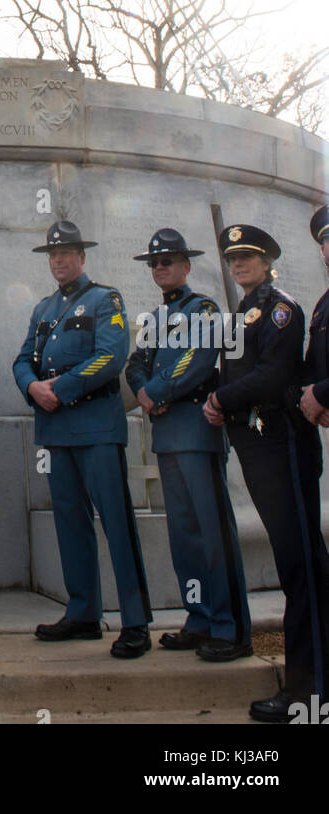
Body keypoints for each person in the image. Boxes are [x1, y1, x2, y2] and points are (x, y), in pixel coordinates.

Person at [203, 223, 329, 723]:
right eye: (233, 260)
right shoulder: (245, 311)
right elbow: (237, 370)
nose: (239, 266)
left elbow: (273, 375)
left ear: (268, 261)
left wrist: (221, 399)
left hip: (281, 445)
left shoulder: (282, 308)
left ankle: (309, 694)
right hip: (259, 447)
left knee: (302, 570)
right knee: (300, 567)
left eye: (248, 259)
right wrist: (218, 395)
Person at [13, 220, 152, 658]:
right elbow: (22, 359)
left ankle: (135, 621)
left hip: (95, 428)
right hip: (56, 433)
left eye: (67, 254)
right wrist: (32, 387)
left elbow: (111, 356)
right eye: (53, 255)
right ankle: (83, 613)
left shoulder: (104, 299)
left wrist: (60, 388)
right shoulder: (43, 309)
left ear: (82, 258)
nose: (59, 260)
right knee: (70, 524)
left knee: (116, 523)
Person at [125, 227, 251, 660]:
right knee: (184, 536)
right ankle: (198, 618)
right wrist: (143, 391)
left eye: (168, 261)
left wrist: (155, 393)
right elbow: (135, 364)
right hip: (167, 435)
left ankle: (229, 627)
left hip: (196, 432)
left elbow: (196, 361)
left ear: (186, 266)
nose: (160, 268)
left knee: (212, 534)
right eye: (155, 263)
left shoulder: (205, 309)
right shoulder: (153, 319)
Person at [300, 204, 329, 429]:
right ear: (323, 250)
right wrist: (314, 400)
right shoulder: (323, 304)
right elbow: (313, 361)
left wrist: (321, 394)